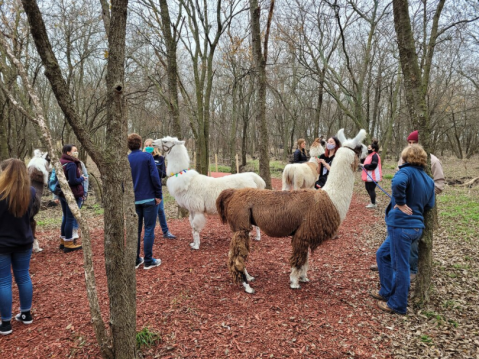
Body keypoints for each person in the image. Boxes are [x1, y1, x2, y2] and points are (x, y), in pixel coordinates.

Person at [370, 145, 435, 315]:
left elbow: (398, 183)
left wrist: (400, 202)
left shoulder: (404, 173)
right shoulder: (428, 180)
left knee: (401, 266)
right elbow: (430, 204)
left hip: (402, 227)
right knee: (382, 255)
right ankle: (386, 291)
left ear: (406, 158)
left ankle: (397, 304)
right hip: (415, 228)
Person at [371, 130, 445, 275]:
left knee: (411, 243)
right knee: (392, 236)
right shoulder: (403, 158)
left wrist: (418, 196)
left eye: (414, 143)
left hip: (416, 209)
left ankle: (410, 271)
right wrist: (400, 200)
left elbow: (439, 185)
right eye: (409, 143)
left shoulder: (433, 161)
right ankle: (387, 262)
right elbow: (399, 179)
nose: (411, 145)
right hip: (399, 207)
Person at [0, 159, 36, 335]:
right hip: (24, 241)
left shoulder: (1, 194)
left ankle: (6, 324)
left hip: (2, 244)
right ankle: (26, 313)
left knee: (4, 281)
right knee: (23, 276)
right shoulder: (31, 192)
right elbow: (31, 214)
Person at [128, 133, 163, 270]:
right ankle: (148, 260)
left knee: (136, 230)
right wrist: (158, 195)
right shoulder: (147, 157)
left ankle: (136, 259)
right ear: (140, 144)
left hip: (134, 200)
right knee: (149, 229)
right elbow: (155, 177)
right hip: (149, 198)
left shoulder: (127, 159)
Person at [143, 139, 176, 239]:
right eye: (146, 145)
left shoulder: (160, 158)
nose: (148, 147)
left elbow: (163, 174)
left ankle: (166, 231)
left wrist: (155, 168)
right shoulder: (142, 158)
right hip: (145, 189)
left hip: (157, 188)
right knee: (146, 212)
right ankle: (147, 233)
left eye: (150, 145)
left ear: (154, 147)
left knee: (160, 210)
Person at [58, 144, 85, 253]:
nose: (76, 152)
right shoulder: (71, 164)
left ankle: (63, 240)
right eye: (74, 150)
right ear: (68, 152)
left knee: (65, 217)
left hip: (63, 193)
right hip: (71, 193)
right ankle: (68, 243)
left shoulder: (61, 162)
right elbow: (73, 181)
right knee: (69, 218)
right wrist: (82, 178)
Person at [361, 139, 382, 209]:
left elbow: (373, 165)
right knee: (367, 188)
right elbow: (366, 162)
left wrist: (365, 166)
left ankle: (373, 203)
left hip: (373, 176)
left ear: (373, 149)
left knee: (371, 189)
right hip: (368, 176)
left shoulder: (375, 156)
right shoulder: (370, 155)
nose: (368, 149)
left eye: (369, 148)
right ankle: (374, 200)